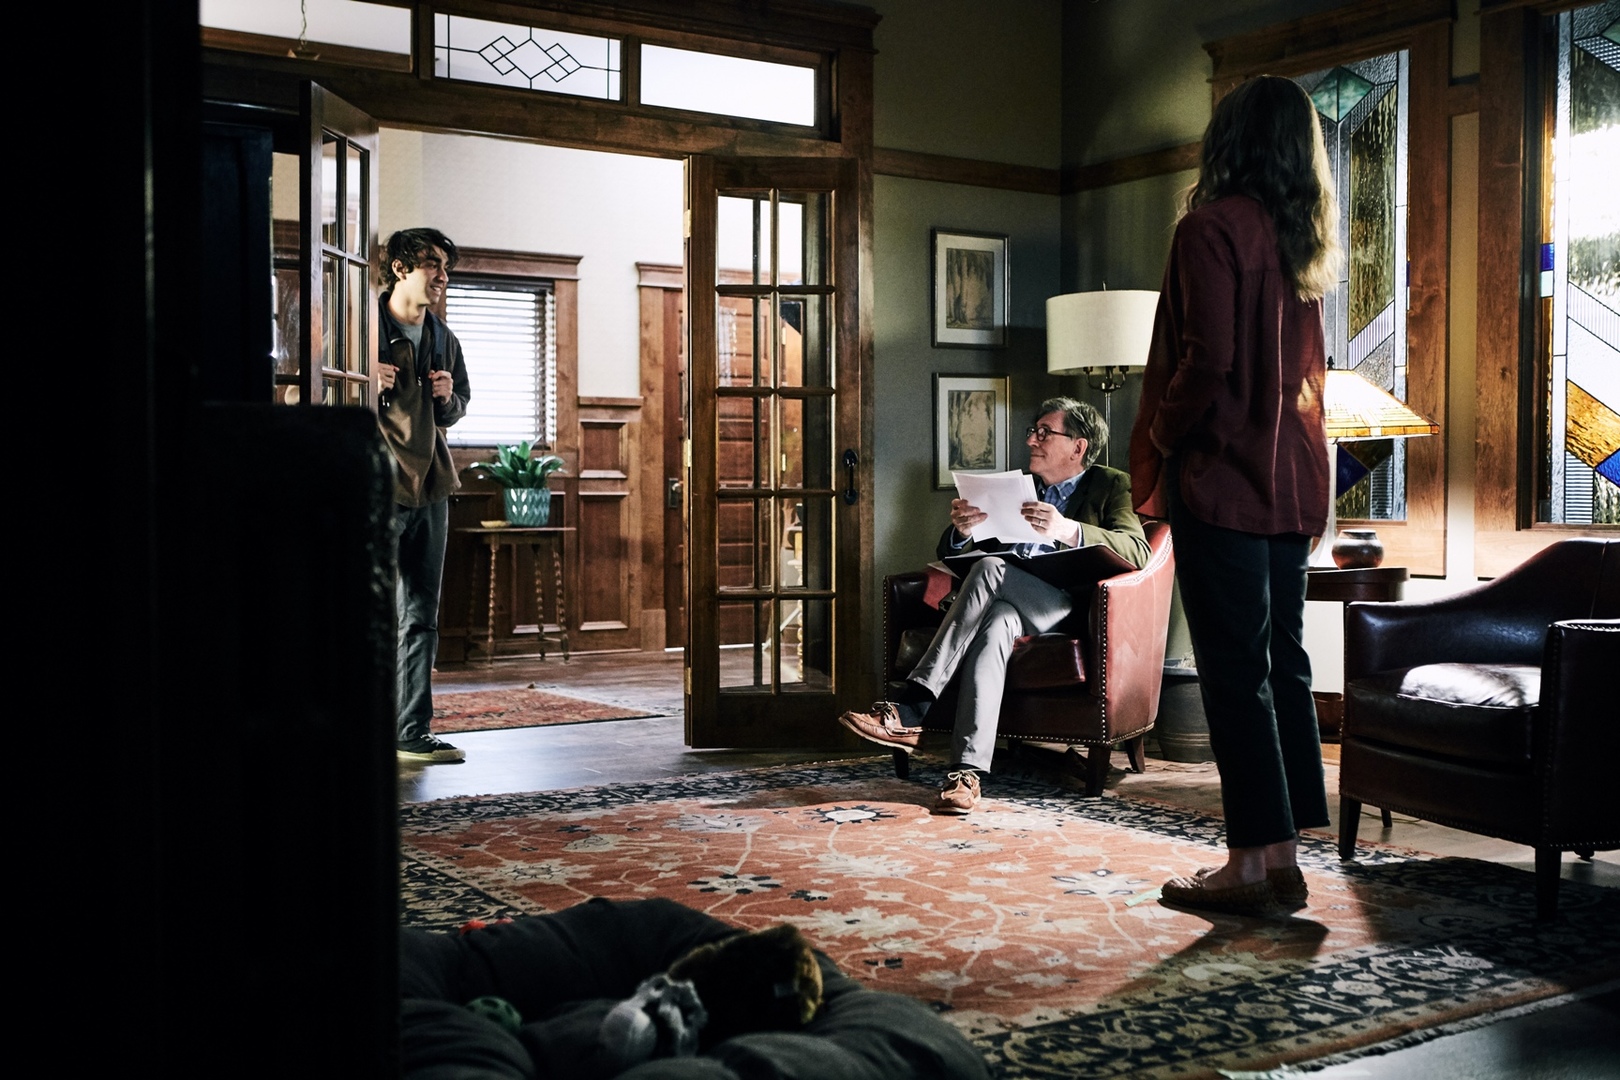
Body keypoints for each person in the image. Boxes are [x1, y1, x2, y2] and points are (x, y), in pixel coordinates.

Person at [1128, 75, 1340, 916]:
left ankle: (1252, 864)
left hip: (1222, 481)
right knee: (1282, 666)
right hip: (1292, 487)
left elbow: (1206, 361)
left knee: (1232, 673)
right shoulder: (1299, 248)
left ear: (1231, 141)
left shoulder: (1208, 229)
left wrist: (1163, 435)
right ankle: (1283, 857)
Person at [837, 397, 1149, 815]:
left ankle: (914, 705)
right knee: (995, 625)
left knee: (989, 568)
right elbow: (950, 550)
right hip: (1009, 602)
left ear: (1078, 446)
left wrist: (1067, 529)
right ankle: (965, 775)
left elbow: (1138, 550)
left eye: (1044, 433)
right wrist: (962, 532)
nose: (1031, 440)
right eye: (1033, 431)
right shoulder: (1020, 486)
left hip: (1065, 608)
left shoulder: (1110, 484)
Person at [377, 228, 472, 764]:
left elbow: (457, 408)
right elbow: (304, 393)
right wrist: (363, 381)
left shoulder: (444, 337)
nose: (442, 277)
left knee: (420, 615)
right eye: (433, 265)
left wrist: (449, 397)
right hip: (377, 487)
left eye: (446, 268)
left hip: (432, 486)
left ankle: (411, 731)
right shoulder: (357, 327)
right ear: (400, 268)